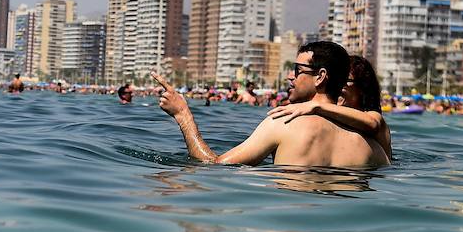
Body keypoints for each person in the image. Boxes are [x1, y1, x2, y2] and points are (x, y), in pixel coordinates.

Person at [155, 41, 388, 168]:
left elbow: (215, 167)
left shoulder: (283, 122)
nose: (290, 77)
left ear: (320, 77)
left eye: (298, 70)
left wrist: (183, 115)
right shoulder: (369, 145)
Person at [266, 54, 392, 162]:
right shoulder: (329, 117)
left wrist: (317, 106)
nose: (335, 86)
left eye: (343, 80)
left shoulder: (375, 119)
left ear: (362, 89)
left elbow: (372, 123)